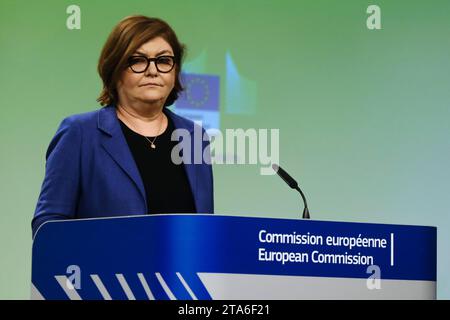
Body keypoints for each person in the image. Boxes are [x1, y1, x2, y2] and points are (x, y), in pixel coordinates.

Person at [32, 15, 214, 237]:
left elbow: (205, 231)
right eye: (137, 60)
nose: (153, 70)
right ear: (115, 70)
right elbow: (49, 225)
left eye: (164, 60)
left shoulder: (195, 137)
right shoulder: (79, 133)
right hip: (102, 270)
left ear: (175, 72)